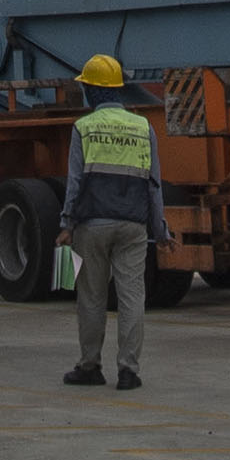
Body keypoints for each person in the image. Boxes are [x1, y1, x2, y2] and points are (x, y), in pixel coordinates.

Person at [58, 53, 165, 395]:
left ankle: (90, 366)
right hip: (133, 226)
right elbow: (154, 185)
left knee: (91, 297)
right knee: (132, 297)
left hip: (92, 225)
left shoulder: (83, 128)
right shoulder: (142, 126)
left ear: (92, 90)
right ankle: (129, 372)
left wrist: (66, 223)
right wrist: (160, 231)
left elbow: (75, 183)